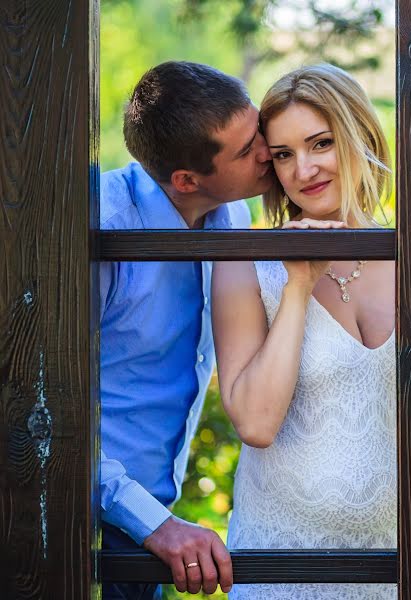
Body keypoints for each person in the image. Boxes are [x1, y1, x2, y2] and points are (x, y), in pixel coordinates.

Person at [212, 63, 411, 599]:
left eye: (320, 143)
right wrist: (299, 284)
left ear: (360, 136)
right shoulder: (247, 263)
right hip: (286, 561)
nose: (303, 169)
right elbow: (255, 423)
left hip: (402, 553)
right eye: (283, 154)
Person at [99, 61, 273, 599]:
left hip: (151, 516)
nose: (266, 150)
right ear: (185, 180)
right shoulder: (100, 226)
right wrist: (152, 523)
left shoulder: (234, 215)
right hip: (79, 515)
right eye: (246, 151)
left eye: (258, 129)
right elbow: (37, 405)